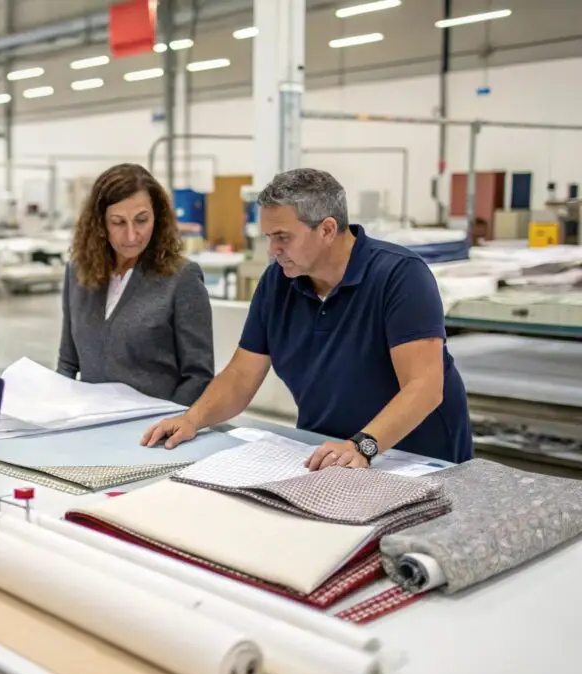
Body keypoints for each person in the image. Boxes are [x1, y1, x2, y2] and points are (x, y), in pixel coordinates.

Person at [142, 168, 473, 467]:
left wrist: (364, 447)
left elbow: (425, 387)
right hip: (327, 454)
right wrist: (193, 419)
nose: (272, 250)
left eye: (282, 237)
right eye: (269, 237)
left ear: (327, 229)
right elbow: (242, 375)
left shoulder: (400, 276)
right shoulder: (278, 284)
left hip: (414, 461)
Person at [57, 162, 214, 405]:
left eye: (141, 220)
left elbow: (198, 376)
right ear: (100, 224)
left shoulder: (182, 278)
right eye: (118, 222)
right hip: (88, 426)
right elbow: (68, 362)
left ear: (158, 217)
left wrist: (166, 424)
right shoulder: (78, 272)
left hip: (152, 432)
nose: (132, 235)